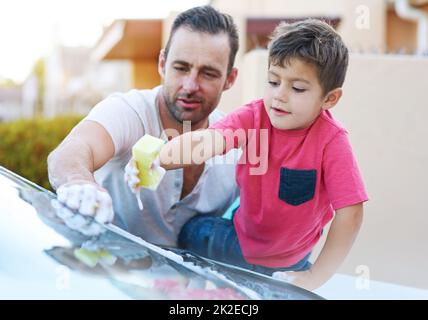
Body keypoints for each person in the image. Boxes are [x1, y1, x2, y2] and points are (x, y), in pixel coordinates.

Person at [146, 19, 369, 291]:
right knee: (190, 230)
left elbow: (351, 213)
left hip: (291, 265)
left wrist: (315, 277)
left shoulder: (331, 140)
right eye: (273, 82)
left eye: (297, 88)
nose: (280, 96)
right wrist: (161, 157)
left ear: (330, 98)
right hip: (237, 242)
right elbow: (207, 142)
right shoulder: (254, 116)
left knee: (193, 235)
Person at [47, 5, 240, 245]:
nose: (190, 85)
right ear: (162, 64)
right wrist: (78, 182)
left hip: (184, 282)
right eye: (180, 68)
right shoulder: (129, 111)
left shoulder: (235, 145)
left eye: (208, 73)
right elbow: (75, 148)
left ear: (230, 79)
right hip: (102, 271)